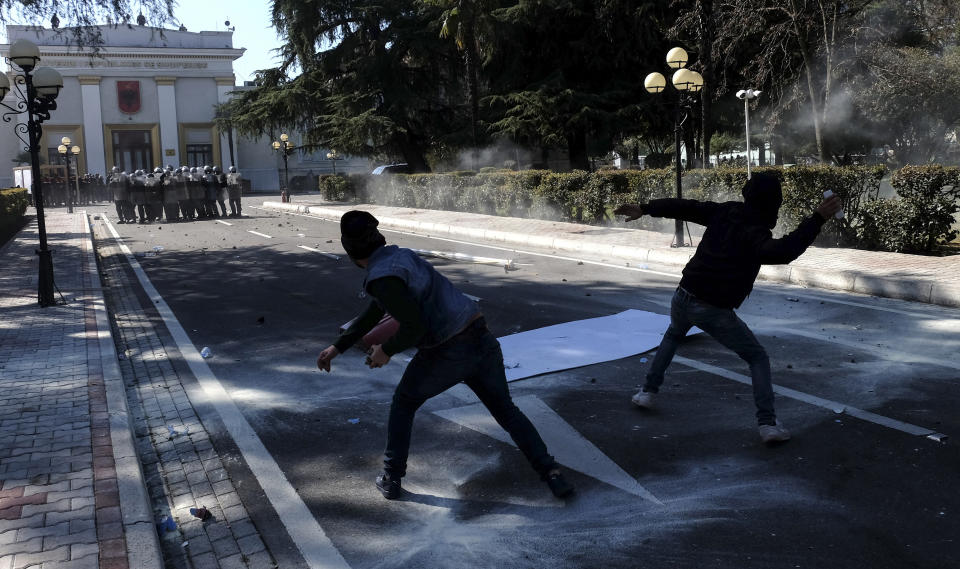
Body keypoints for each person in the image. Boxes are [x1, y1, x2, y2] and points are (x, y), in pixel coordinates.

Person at [316, 211, 575, 500]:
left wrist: (385, 351)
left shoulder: (381, 277)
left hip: (447, 351)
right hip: (481, 337)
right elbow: (376, 310)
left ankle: (391, 478)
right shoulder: (401, 258)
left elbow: (414, 326)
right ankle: (552, 474)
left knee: (404, 403)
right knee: (507, 412)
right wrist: (338, 346)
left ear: (350, 252)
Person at [614, 173, 843, 444]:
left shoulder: (726, 211)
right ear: (774, 203)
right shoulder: (754, 231)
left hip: (683, 294)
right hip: (713, 307)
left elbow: (686, 207)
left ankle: (647, 392)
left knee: (673, 334)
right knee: (757, 357)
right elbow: (781, 251)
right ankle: (768, 423)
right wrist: (816, 219)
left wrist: (646, 207)